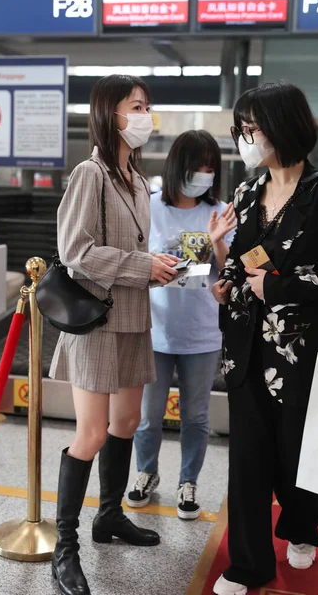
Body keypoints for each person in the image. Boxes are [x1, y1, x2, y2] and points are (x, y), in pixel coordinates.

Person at [48, 74, 179, 595]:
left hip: (133, 319)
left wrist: (160, 265)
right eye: (137, 106)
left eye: (146, 106)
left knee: (126, 423)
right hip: (98, 322)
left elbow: (135, 252)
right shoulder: (91, 174)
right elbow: (76, 251)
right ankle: (66, 547)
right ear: (110, 114)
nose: (145, 115)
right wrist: (142, 266)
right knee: (93, 433)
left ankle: (108, 517)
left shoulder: (136, 179)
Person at [212, 82, 318, 595]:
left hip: (304, 351)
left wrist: (275, 285)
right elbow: (239, 263)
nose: (243, 138)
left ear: (283, 126)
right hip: (248, 345)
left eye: (250, 128)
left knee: (299, 453)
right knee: (249, 458)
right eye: (240, 129)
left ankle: (302, 527)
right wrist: (223, 279)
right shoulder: (246, 192)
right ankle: (248, 564)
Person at [126, 130, 236, 519]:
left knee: (196, 415)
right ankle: (145, 473)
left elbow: (226, 270)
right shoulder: (148, 207)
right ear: (177, 167)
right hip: (154, 329)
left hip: (202, 332)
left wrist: (217, 239)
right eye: (197, 167)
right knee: (146, 415)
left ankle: (188, 482)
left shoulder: (220, 211)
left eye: (210, 168)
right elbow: (138, 263)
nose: (204, 175)